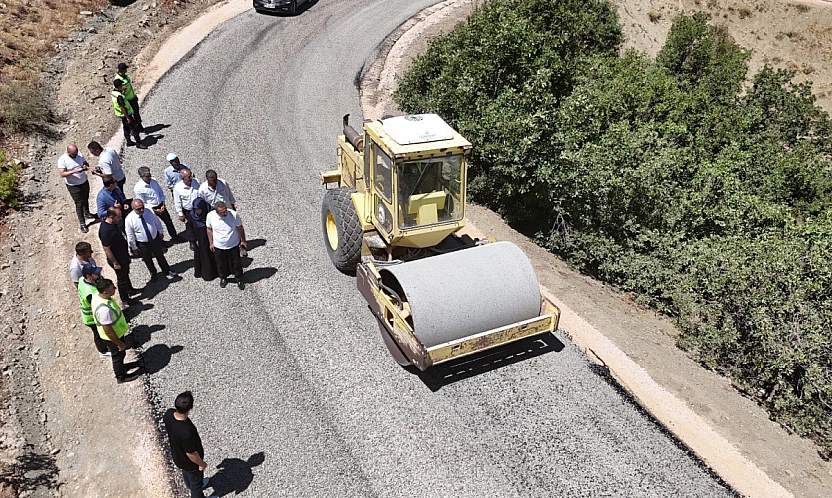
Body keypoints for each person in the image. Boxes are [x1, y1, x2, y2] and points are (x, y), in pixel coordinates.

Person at [92, 278, 144, 383]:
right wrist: (119, 344)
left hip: (116, 333)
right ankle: (121, 376)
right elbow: (108, 331)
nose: (115, 288)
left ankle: (123, 367)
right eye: (112, 288)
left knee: (121, 355)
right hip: (112, 337)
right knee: (117, 356)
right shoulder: (104, 310)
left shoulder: (96, 295)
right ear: (105, 292)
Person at [163, 391, 211, 498]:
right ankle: (196, 491)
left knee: (186, 474)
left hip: (178, 457)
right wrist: (201, 464)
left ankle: (191, 485)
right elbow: (191, 453)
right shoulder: (186, 432)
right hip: (191, 463)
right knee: (196, 483)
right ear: (191, 407)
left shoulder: (168, 414)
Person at [125, 199, 179, 281]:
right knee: (148, 259)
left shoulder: (149, 211)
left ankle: (167, 270)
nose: (142, 210)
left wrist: (160, 231)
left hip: (154, 239)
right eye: (138, 209)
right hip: (142, 243)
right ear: (133, 208)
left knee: (160, 255)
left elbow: (157, 222)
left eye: (142, 207)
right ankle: (153, 273)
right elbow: (130, 234)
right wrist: (133, 246)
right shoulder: (129, 219)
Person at [99, 207, 141, 302]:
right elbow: (106, 248)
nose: (120, 219)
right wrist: (115, 262)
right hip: (117, 259)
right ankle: (125, 299)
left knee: (125, 274)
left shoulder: (113, 224)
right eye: (118, 217)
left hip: (123, 256)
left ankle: (130, 290)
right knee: (121, 279)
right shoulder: (106, 230)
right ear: (111, 217)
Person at [134, 166, 182, 243]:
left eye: (150, 175)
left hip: (160, 204)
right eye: (147, 176)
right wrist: (154, 210)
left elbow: (160, 192)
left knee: (168, 221)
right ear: (141, 176)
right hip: (151, 208)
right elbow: (142, 202)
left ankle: (174, 236)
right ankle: (161, 242)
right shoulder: (138, 188)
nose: (149, 177)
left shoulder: (154, 181)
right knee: (155, 225)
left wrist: (163, 203)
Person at [206, 202, 247, 290]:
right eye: (222, 212)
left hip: (233, 244)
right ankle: (223, 277)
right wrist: (211, 243)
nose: (225, 213)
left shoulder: (233, 214)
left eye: (225, 211)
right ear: (216, 212)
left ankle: (239, 278)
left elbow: (240, 227)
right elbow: (209, 229)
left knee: (236, 263)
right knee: (220, 263)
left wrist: (243, 240)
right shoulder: (210, 216)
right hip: (219, 246)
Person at [58, 144, 96, 233]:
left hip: (84, 181)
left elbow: (85, 163)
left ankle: (87, 213)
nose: (76, 155)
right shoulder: (62, 160)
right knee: (79, 203)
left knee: (86, 198)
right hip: (73, 185)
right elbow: (62, 174)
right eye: (74, 154)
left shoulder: (79, 155)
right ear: (68, 152)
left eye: (76, 153)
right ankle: (82, 223)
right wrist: (74, 171)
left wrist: (85, 166)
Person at [77, 263, 110, 357]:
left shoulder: (81, 280)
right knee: (98, 333)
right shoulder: (91, 292)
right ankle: (102, 351)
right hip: (91, 318)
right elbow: (95, 307)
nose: (99, 274)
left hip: (87, 315)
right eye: (96, 274)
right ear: (89, 276)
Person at [186, 198, 218, 281]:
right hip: (200, 240)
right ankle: (208, 274)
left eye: (199, 209)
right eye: (195, 209)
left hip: (212, 238)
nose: (197, 211)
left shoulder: (210, 213)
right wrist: (194, 240)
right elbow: (190, 228)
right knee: (204, 256)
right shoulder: (192, 216)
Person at [112, 78, 143, 148]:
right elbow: (122, 107)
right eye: (121, 85)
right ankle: (138, 143)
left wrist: (123, 91)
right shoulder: (119, 96)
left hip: (121, 114)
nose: (123, 85)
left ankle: (128, 141)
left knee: (126, 128)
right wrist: (127, 117)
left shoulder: (114, 93)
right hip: (126, 114)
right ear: (119, 86)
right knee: (134, 128)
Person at [116, 62, 143, 133]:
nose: (126, 70)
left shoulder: (126, 76)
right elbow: (119, 93)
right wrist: (124, 91)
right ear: (122, 70)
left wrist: (134, 95)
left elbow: (130, 87)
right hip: (127, 101)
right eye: (125, 69)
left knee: (136, 113)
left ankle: (140, 126)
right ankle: (133, 130)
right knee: (130, 116)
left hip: (132, 98)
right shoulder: (118, 80)